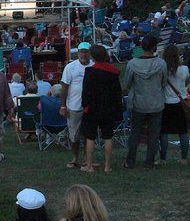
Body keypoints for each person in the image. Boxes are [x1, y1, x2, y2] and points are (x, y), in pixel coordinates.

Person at [123, 35, 167, 169]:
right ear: (154, 48)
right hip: (156, 103)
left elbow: (127, 84)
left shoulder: (132, 64)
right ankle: (149, 162)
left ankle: (130, 161)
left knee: (135, 133)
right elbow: (163, 82)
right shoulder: (161, 64)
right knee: (154, 134)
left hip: (138, 103)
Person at [80, 45, 122, 173]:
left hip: (93, 107)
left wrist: (85, 104)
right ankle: (107, 166)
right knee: (108, 137)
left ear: (92, 57)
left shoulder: (90, 71)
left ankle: (89, 165)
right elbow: (117, 92)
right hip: (108, 108)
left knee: (90, 137)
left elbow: (86, 91)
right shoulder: (114, 72)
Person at [60, 42, 94, 169]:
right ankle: (75, 157)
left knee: (88, 135)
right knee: (73, 136)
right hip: (74, 106)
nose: (84, 54)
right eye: (81, 51)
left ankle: (87, 158)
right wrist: (63, 106)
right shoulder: (70, 67)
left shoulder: (94, 66)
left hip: (90, 107)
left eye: (86, 52)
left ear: (90, 53)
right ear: (78, 52)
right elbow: (64, 88)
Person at [159, 44, 190, 165]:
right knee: (183, 132)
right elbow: (187, 81)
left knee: (164, 132)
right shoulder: (184, 69)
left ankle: (163, 158)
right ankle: (184, 158)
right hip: (181, 102)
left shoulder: (163, 71)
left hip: (166, 103)